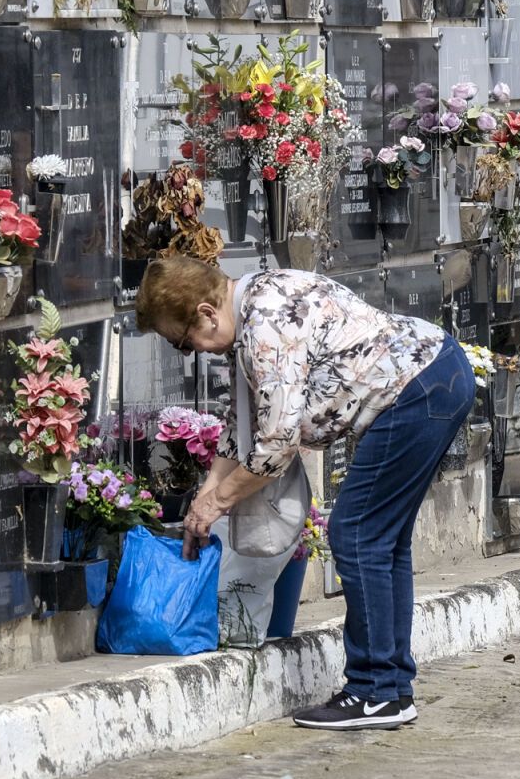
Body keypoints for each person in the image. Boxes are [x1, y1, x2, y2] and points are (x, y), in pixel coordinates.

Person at [135, 256, 476, 729]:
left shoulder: (265, 325)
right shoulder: (252, 304)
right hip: (435, 374)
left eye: (183, 341)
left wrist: (216, 502)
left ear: (207, 313)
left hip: (415, 389)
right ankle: (391, 686)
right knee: (381, 540)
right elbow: (244, 428)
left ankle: (375, 689)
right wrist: (204, 499)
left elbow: (275, 445)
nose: (193, 351)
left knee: (356, 534)